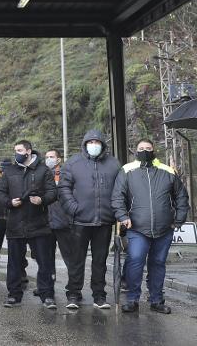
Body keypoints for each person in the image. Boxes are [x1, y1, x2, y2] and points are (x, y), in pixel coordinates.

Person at [112, 139, 189, 314]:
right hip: (137, 228)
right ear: (135, 151)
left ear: (154, 150)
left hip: (164, 229)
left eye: (148, 148)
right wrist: (123, 216)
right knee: (135, 261)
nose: (145, 150)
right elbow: (117, 197)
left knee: (158, 263)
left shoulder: (167, 171)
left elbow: (181, 197)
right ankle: (132, 299)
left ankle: (156, 300)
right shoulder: (127, 170)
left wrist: (178, 220)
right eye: (141, 148)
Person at [58, 130, 120, 310]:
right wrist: (73, 209)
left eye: (97, 141)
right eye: (91, 141)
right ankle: (73, 294)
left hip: (104, 221)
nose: (94, 144)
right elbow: (63, 188)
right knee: (76, 260)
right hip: (79, 222)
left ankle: (99, 295)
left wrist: (115, 212)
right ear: (85, 144)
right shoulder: (73, 163)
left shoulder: (113, 164)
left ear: (102, 144)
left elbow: (121, 190)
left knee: (100, 261)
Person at [0, 140, 57, 309]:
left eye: (20, 150)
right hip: (15, 223)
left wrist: (41, 200)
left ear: (28, 151)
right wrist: (9, 202)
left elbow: (53, 192)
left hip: (39, 223)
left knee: (44, 262)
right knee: (14, 262)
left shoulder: (43, 170)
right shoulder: (9, 171)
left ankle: (47, 296)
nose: (17, 154)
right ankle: (14, 295)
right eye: (15, 150)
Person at [45, 149, 73, 277]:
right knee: (46, 256)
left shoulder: (66, 174)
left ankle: (74, 285)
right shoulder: (43, 174)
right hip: (46, 222)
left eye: (51, 156)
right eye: (47, 157)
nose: (48, 159)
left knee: (69, 255)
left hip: (63, 222)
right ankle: (48, 282)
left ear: (58, 159)